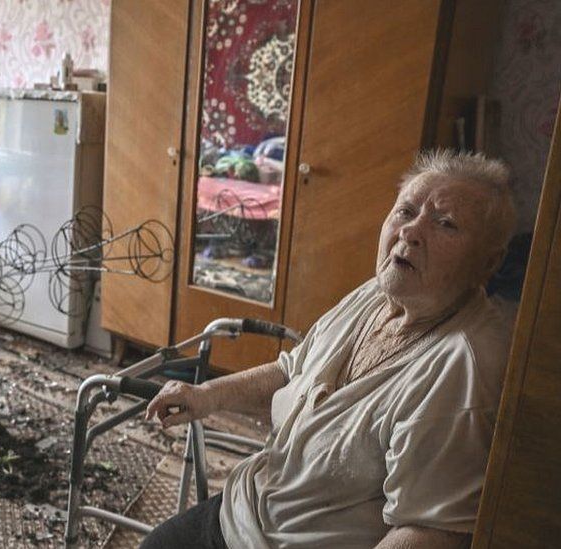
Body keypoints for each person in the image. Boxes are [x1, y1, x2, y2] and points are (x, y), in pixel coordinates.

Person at [142, 150, 516, 549]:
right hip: (249, 509)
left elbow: (429, 530)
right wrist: (205, 396)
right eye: (406, 211)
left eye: (445, 224)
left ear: (487, 262)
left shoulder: (463, 367)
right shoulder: (378, 293)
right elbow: (292, 371)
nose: (411, 232)